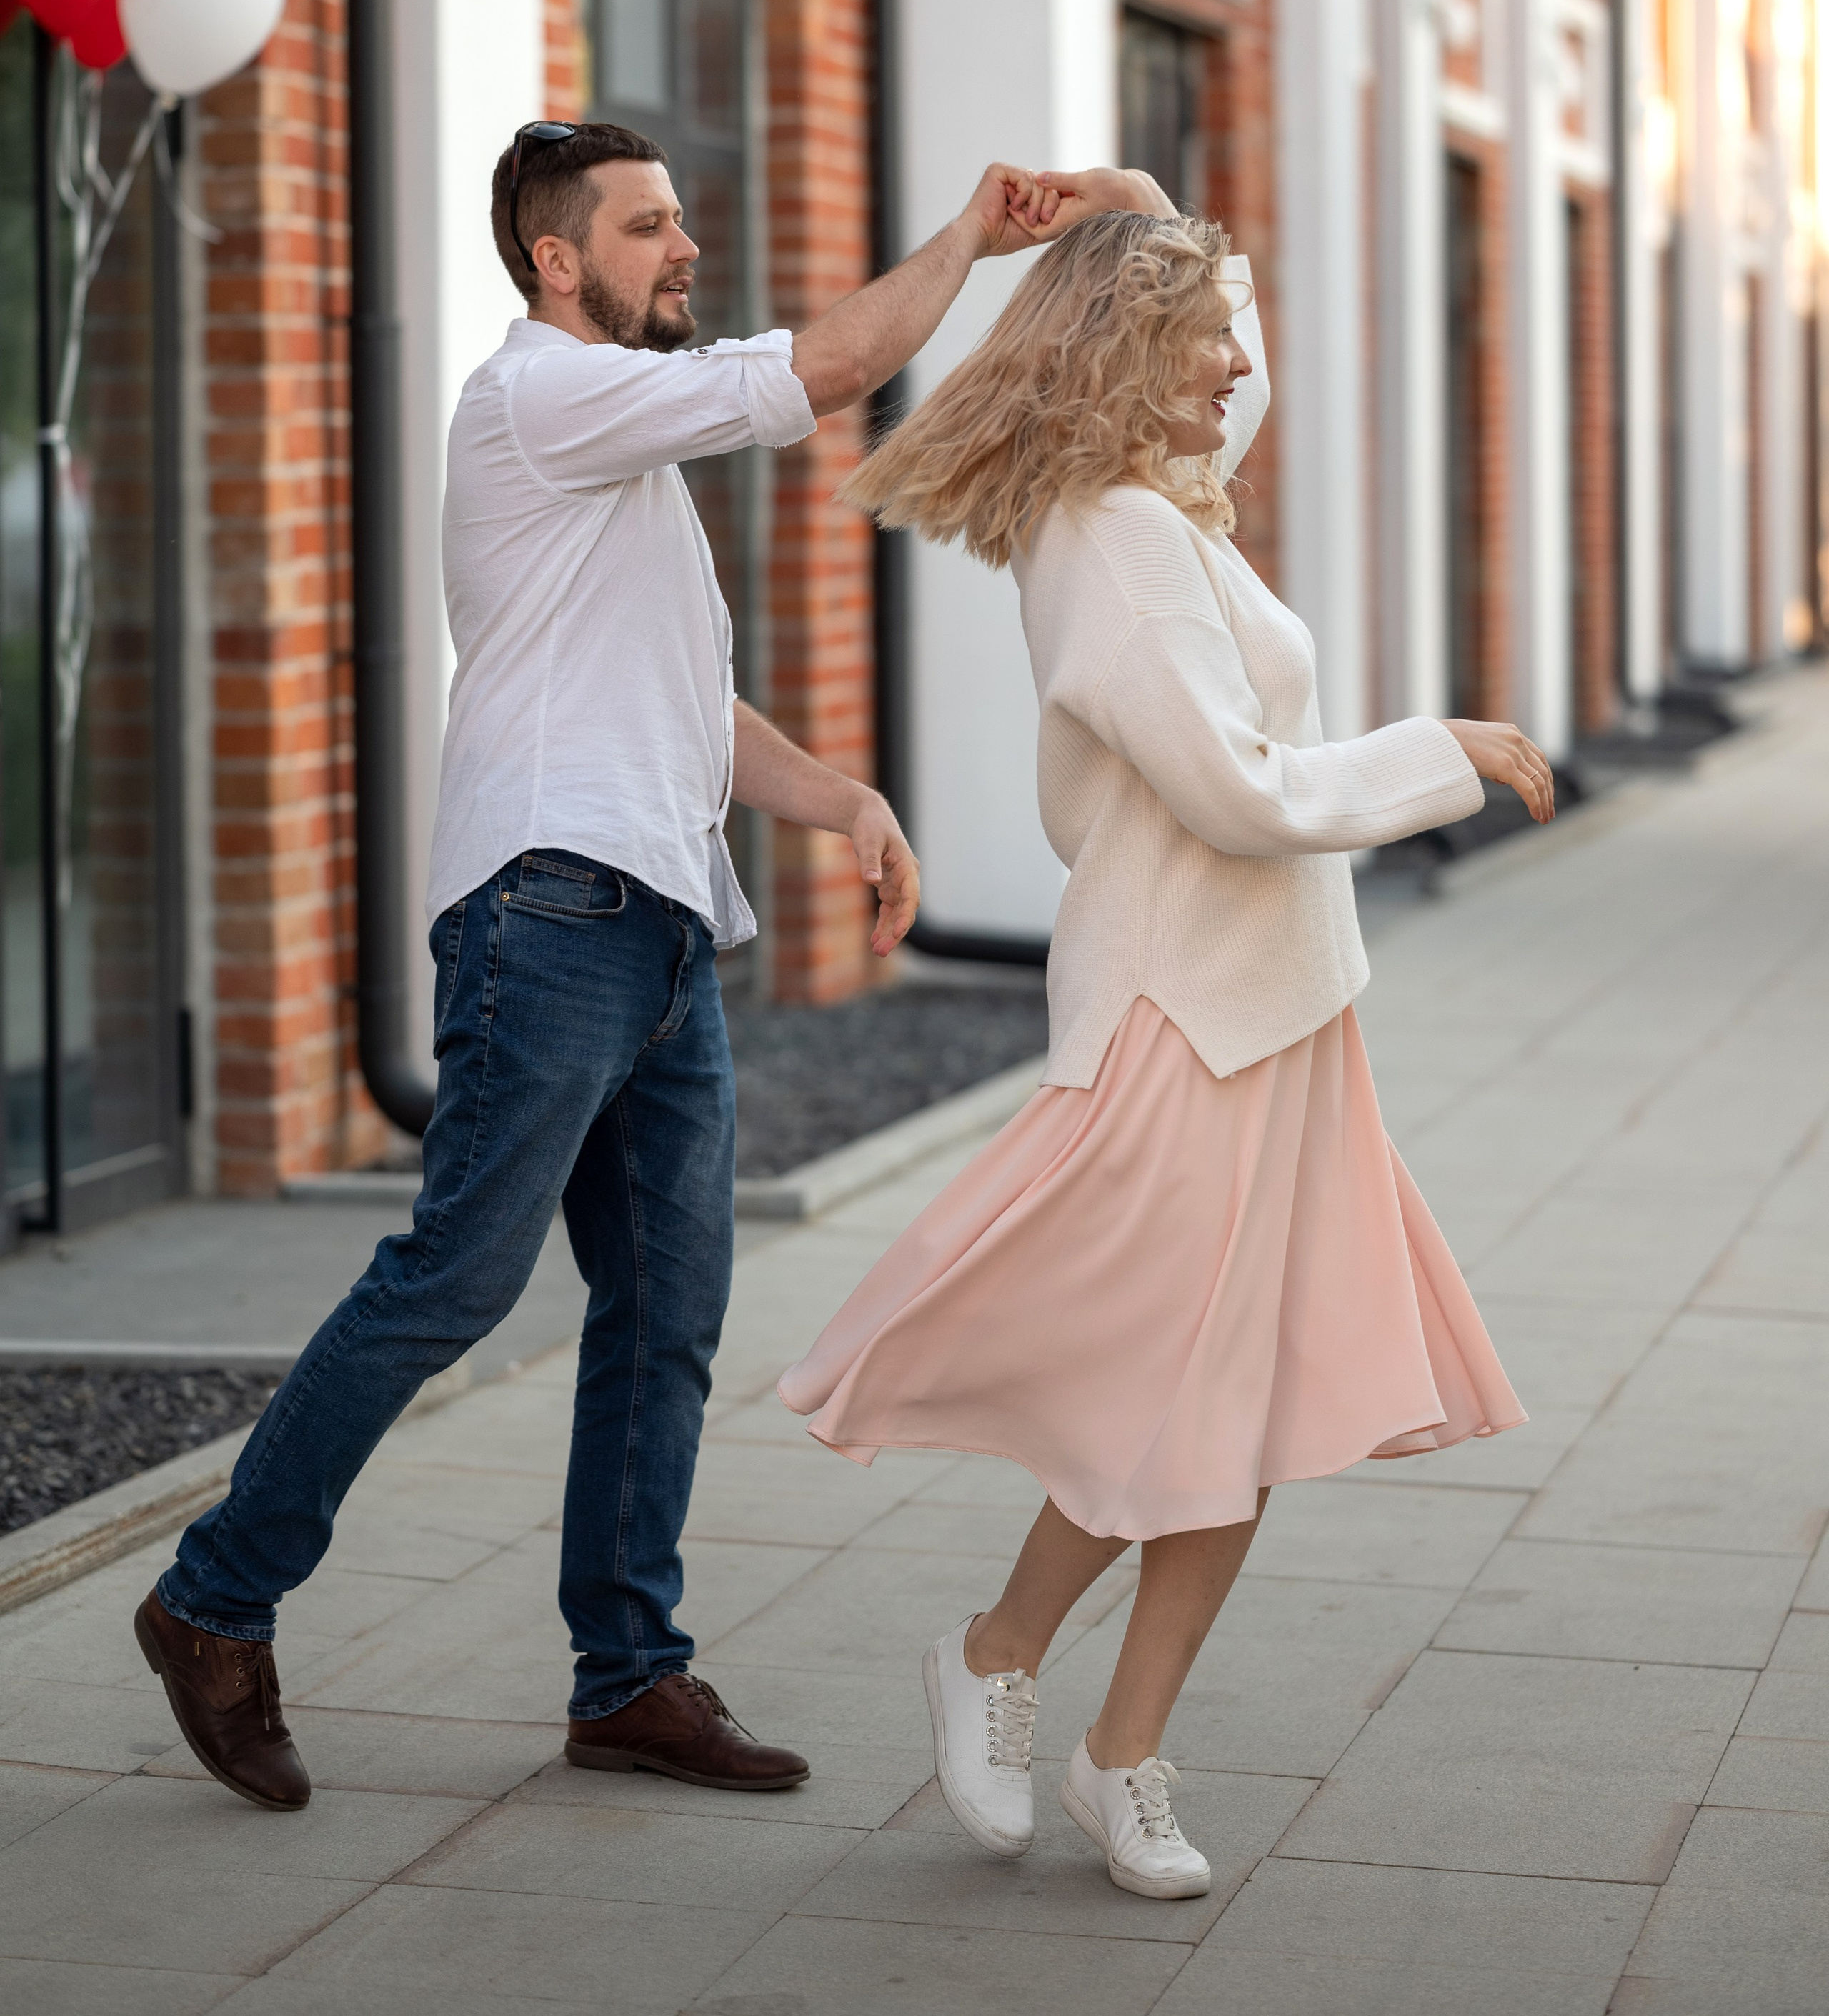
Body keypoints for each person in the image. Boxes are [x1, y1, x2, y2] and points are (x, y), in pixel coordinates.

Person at [132, 120, 1105, 1813]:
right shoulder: (541, 396)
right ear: (555, 260)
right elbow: (827, 368)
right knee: (454, 1276)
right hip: (549, 908)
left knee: (665, 1313)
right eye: (648, 228)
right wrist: (969, 236)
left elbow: (684, 711)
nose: (683, 249)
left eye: (682, 221)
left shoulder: (620, 456)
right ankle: (211, 1601)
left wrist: (841, 798)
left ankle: (628, 1675)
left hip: (656, 921)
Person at [779, 170, 1543, 1900]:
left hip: (1280, 1015)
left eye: (1221, 338)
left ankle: (1121, 1749)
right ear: (1135, 355)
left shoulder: (1165, 497)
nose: (1231, 372)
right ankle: (992, 1652)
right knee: (1161, 1390)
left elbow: (1235, 368)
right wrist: (1446, 749)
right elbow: (1234, 789)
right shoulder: (1115, 541)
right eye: (1199, 341)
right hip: (1176, 1016)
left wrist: (1144, 205)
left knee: (1241, 1406)